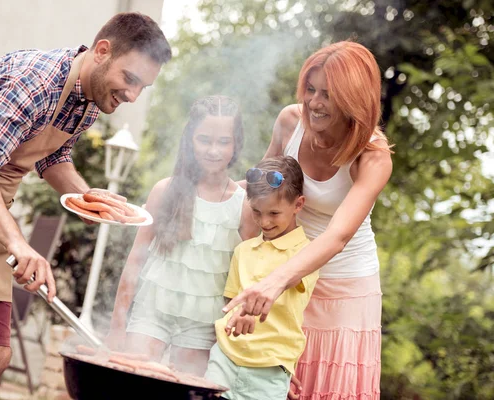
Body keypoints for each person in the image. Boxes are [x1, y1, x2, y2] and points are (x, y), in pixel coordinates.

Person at [0, 12, 171, 400]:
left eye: (143, 86)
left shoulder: (89, 98)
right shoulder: (35, 81)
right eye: (130, 79)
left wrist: (88, 196)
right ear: (103, 52)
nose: (132, 96)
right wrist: (19, 244)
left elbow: (51, 156)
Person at [222, 41, 393, 399]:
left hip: (342, 288)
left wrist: (274, 283)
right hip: (281, 272)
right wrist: (196, 191)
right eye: (311, 90)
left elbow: (337, 237)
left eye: (328, 95)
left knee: (325, 388)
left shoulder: (373, 157)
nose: (314, 102)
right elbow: (258, 190)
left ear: (354, 99)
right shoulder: (289, 122)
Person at [107, 95, 258, 376]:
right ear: (190, 138)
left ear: (236, 143)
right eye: (204, 139)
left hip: (202, 324)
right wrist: (117, 324)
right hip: (151, 312)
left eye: (223, 141)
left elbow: (244, 278)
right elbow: (135, 261)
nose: (213, 150)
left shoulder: (244, 206)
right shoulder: (165, 191)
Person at [204, 156, 318, 400]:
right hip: (224, 357)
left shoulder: (307, 255)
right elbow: (230, 304)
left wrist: (280, 371)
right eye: (256, 211)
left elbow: (281, 289)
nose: (264, 222)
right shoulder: (242, 250)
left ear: (298, 205)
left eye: (274, 213)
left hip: (268, 369)